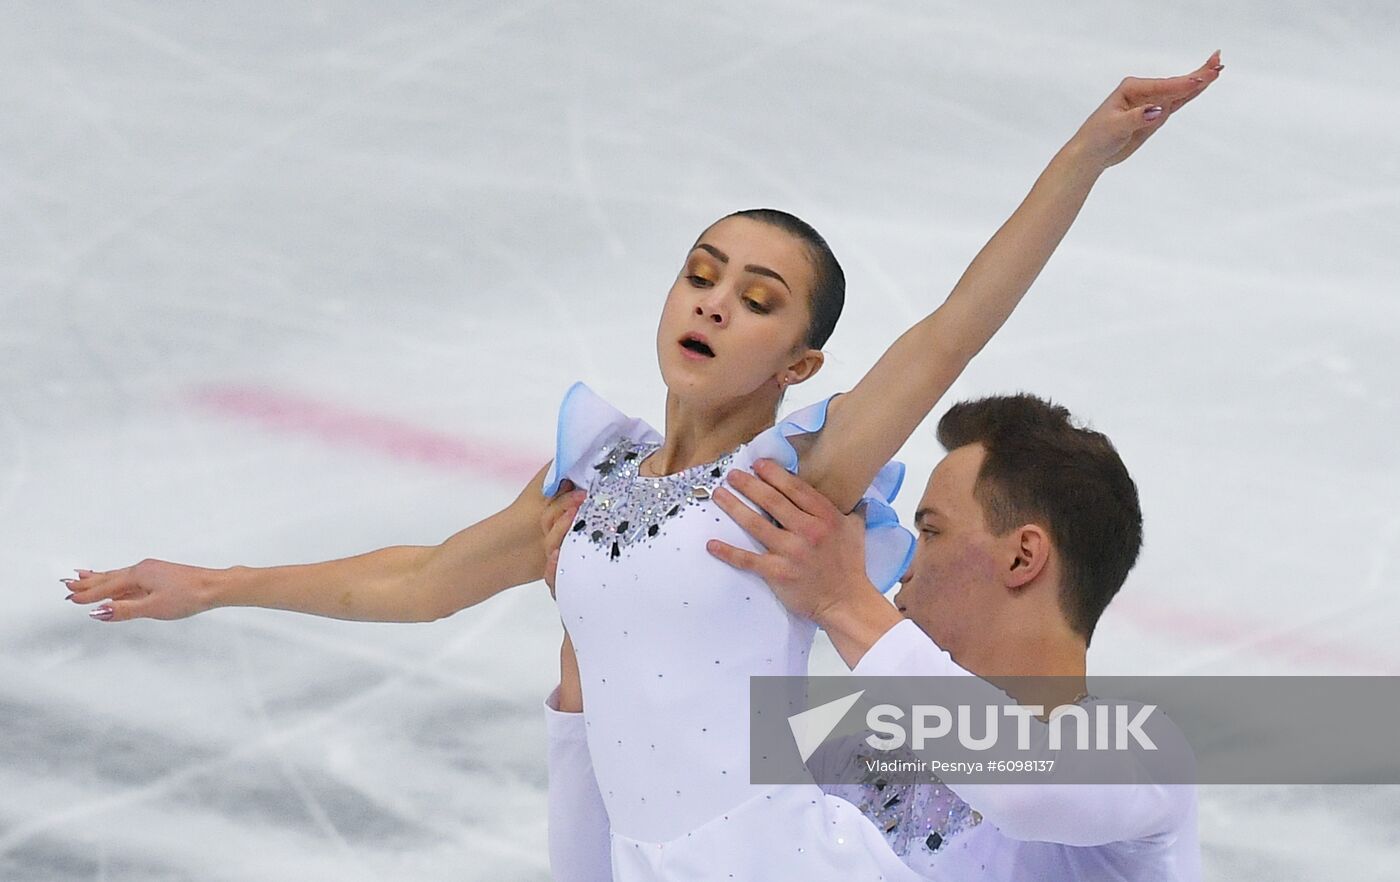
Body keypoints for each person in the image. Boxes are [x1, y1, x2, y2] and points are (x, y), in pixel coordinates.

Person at [65, 53, 1222, 881]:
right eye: (700, 274)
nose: (713, 303)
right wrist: (217, 586)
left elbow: (950, 330)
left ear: (798, 360)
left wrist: (1084, 156)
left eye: (755, 300)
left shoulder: (797, 476)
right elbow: (415, 585)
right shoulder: (589, 479)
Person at [543, 394, 1198, 880]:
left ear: (1023, 558)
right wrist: (590, 658)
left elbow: (1023, 789)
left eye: (933, 531)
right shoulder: (836, 744)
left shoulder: (1140, 753)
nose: (904, 564)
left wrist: (842, 598)